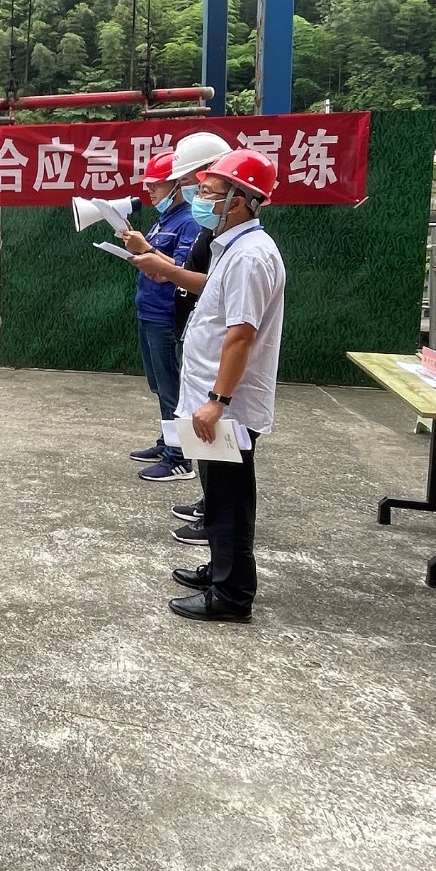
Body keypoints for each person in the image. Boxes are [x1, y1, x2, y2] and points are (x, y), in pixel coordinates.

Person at [165, 148, 285, 623]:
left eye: (208, 192)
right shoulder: (232, 248)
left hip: (225, 405)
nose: (198, 198)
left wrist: (217, 401)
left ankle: (232, 595)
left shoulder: (250, 257)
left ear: (237, 201)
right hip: (211, 398)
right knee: (216, 494)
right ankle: (219, 570)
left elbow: (241, 335)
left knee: (230, 499)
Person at [127, 131, 232, 545]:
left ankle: (191, 478)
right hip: (180, 326)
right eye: (195, 184)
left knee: (199, 417)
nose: (197, 193)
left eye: (203, 185)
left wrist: (220, 397)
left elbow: (238, 326)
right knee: (169, 392)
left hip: (189, 334)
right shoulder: (212, 232)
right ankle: (209, 504)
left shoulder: (239, 244)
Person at [118, 151, 202, 486]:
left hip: (168, 315)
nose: (149, 190)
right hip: (151, 311)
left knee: (171, 389)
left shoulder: (189, 220)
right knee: (160, 385)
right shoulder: (166, 219)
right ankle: (169, 442)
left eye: (156, 184)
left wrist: (146, 251)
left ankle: (180, 458)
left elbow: (180, 270)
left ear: (178, 184)